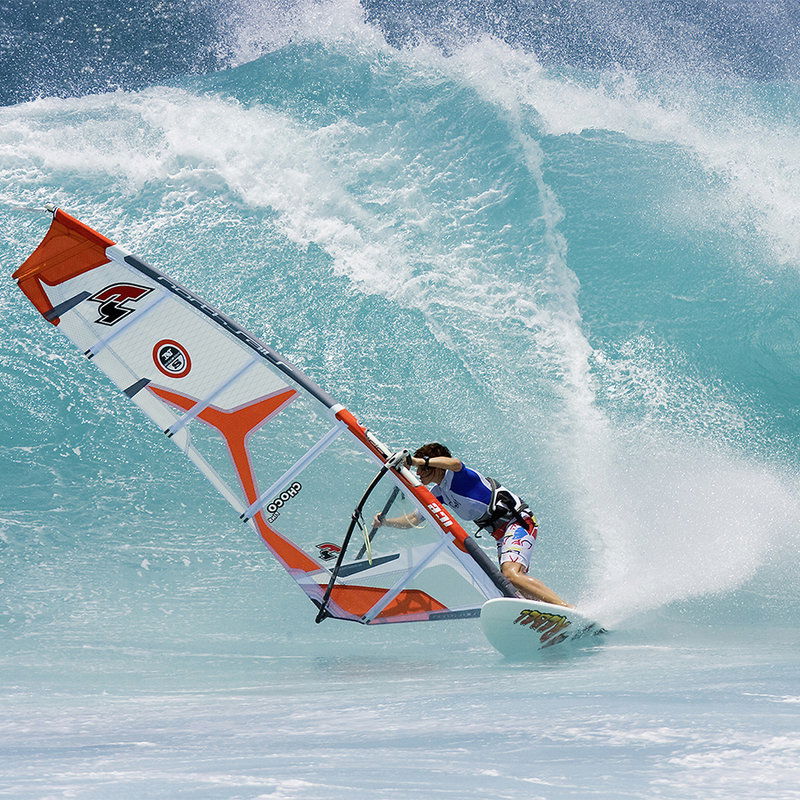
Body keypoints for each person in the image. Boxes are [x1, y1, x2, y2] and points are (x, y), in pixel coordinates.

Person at [373, 442, 570, 607]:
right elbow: (414, 520)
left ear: (437, 466)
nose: (419, 472)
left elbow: (455, 463)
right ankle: (554, 616)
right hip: (501, 533)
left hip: (517, 521)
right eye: (417, 469)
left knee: (511, 575)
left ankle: (567, 608)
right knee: (513, 588)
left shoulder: (458, 475)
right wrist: (385, 522)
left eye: (424, 468)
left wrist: (416, 460)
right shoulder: (439, 493)